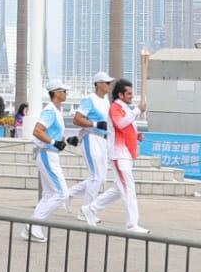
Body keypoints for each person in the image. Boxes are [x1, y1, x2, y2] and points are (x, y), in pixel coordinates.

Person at [84, 78, 148, 234]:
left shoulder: (125, 107)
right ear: (120, 94)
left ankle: (91, 208)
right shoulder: (115, 107)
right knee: (128, 188)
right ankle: (132, 224)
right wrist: (138, 110)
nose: (131, 96)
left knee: (120, 189)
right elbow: (120, 124)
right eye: (129, 93)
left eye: (132, 93)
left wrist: (136, 135)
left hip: (125, 152)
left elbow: (125, 128)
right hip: (119, 154)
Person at [23, 80, 72, 242]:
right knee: (61, 194)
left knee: (49, 194)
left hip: (50, 155)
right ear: (56, 93)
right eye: (63, 90)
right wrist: (53, 142)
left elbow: (53, 134)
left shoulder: (57, 111)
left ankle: (32, 228)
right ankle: (32, 226)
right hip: (46, 154)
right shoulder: (50, 110)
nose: (66, 93)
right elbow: (37, 131)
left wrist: (65, 140)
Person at [72, 71, 114, 206]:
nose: (109, 85)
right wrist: (95, 124)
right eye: (107, 83)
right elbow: (76, 119)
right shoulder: (89, 99)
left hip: (103, 140)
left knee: (100, 179)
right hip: (91, 138)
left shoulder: (106, 101)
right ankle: (87, 210)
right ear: (99, 84)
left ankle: (69, 194)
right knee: (96, 177)